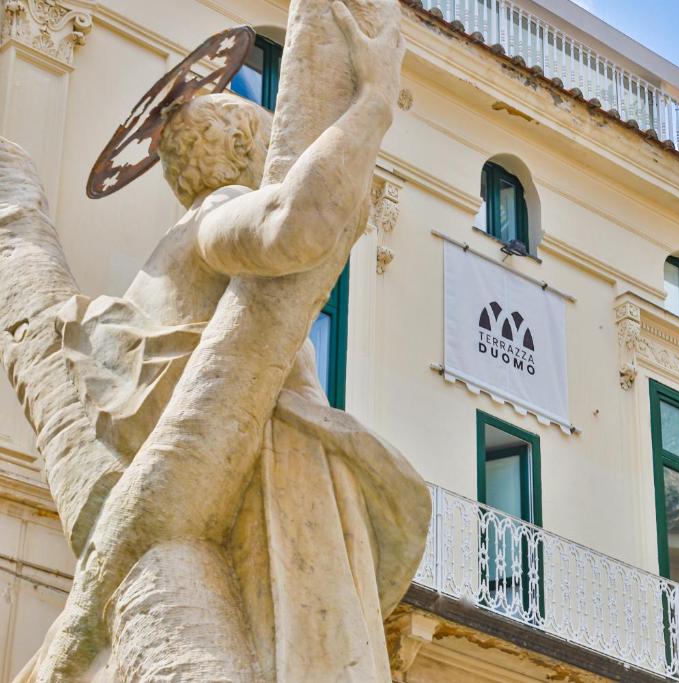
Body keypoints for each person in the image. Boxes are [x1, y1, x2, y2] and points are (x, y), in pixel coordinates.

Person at [11, 1, 429, 680]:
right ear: (240, 149)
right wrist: (375, 102)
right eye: (265, 142)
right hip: (259, 471)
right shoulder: (213, 218)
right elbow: (294, 223)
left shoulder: (151, 275)